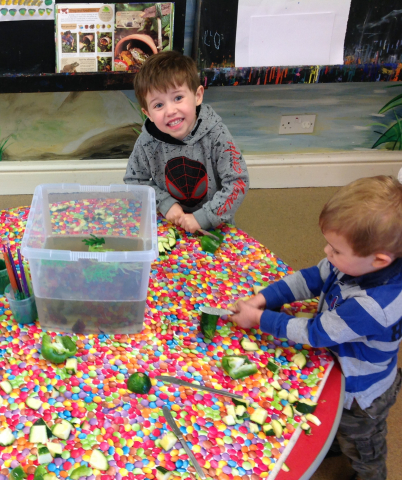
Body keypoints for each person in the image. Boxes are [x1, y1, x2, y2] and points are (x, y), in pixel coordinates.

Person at [230, 176, 402, 480]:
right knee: (334, 423)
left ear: (379, 260)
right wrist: (263, 298)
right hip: (345, 366)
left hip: (362, 393)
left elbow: (316, 333)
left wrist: (259, 319)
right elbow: (311, 277)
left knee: (363, 447)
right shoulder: (353, 261)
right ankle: (335, 442)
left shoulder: (375, 305)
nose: (326, 251)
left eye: (335, 250)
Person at [123, 51, 249, 233]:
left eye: (178, 98)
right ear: (148, 114)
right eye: (159, 105)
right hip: (168, 224)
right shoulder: (147, 142)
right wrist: (164, 203)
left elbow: (238, 182)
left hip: (215, 225)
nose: (170, 110)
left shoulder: (217, 134)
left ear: (197, 96)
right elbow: (133, 180)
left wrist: (205, 217)